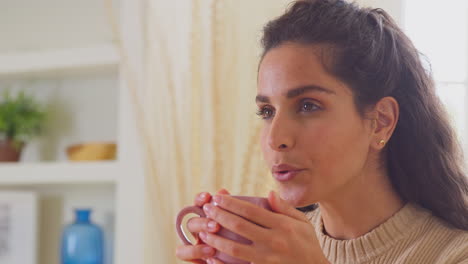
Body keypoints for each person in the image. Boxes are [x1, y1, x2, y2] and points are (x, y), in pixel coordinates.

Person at [175, 0, 468, 263]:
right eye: (267, 111)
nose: (276, 139)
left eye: (308, 106)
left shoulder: (455, 253)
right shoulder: (273, 249)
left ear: (381, 121)